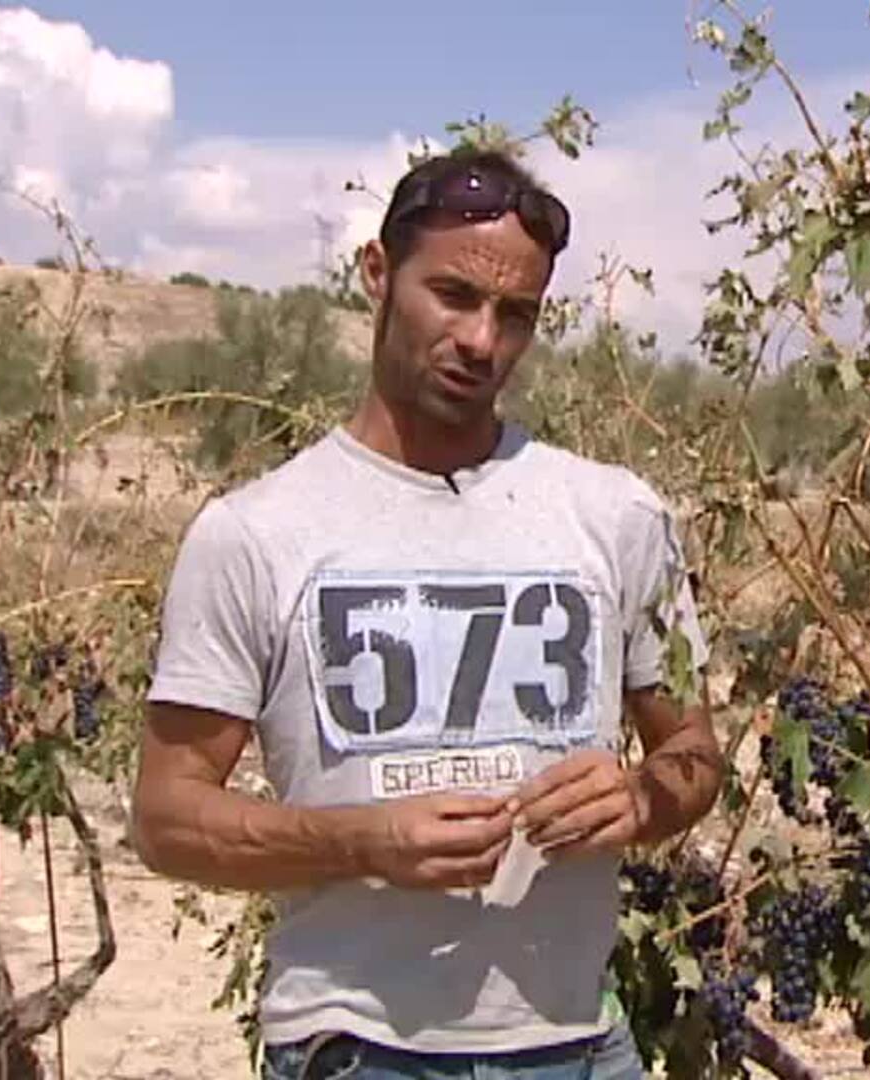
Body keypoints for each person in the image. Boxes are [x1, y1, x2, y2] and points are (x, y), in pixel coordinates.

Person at [131, 149, 722, 1080]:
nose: (482, 341)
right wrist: (362, 841)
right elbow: (165, 819)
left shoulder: (619, 517)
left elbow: (695, 759)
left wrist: (639, 799)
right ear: (376, 273)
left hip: (579, 1044)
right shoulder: (253, 534)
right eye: (451, 295)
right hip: (362, 1050)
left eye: (515, 315)